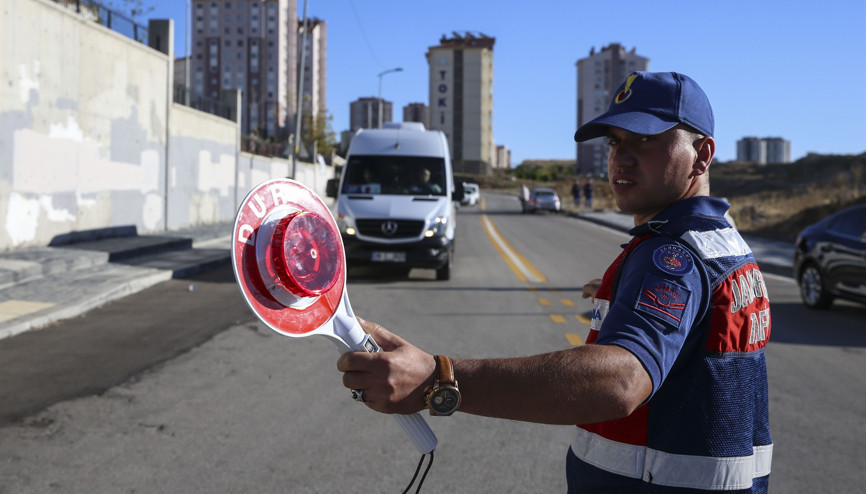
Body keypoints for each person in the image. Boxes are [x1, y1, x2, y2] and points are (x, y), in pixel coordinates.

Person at [337, 71, 772, 493]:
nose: (622, 156)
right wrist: (627, 293)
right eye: (616, 142)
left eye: (647, 140)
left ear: (703, 154)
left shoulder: (671, 256)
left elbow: (619, 383)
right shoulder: (724, 245)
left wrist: (439, 379)